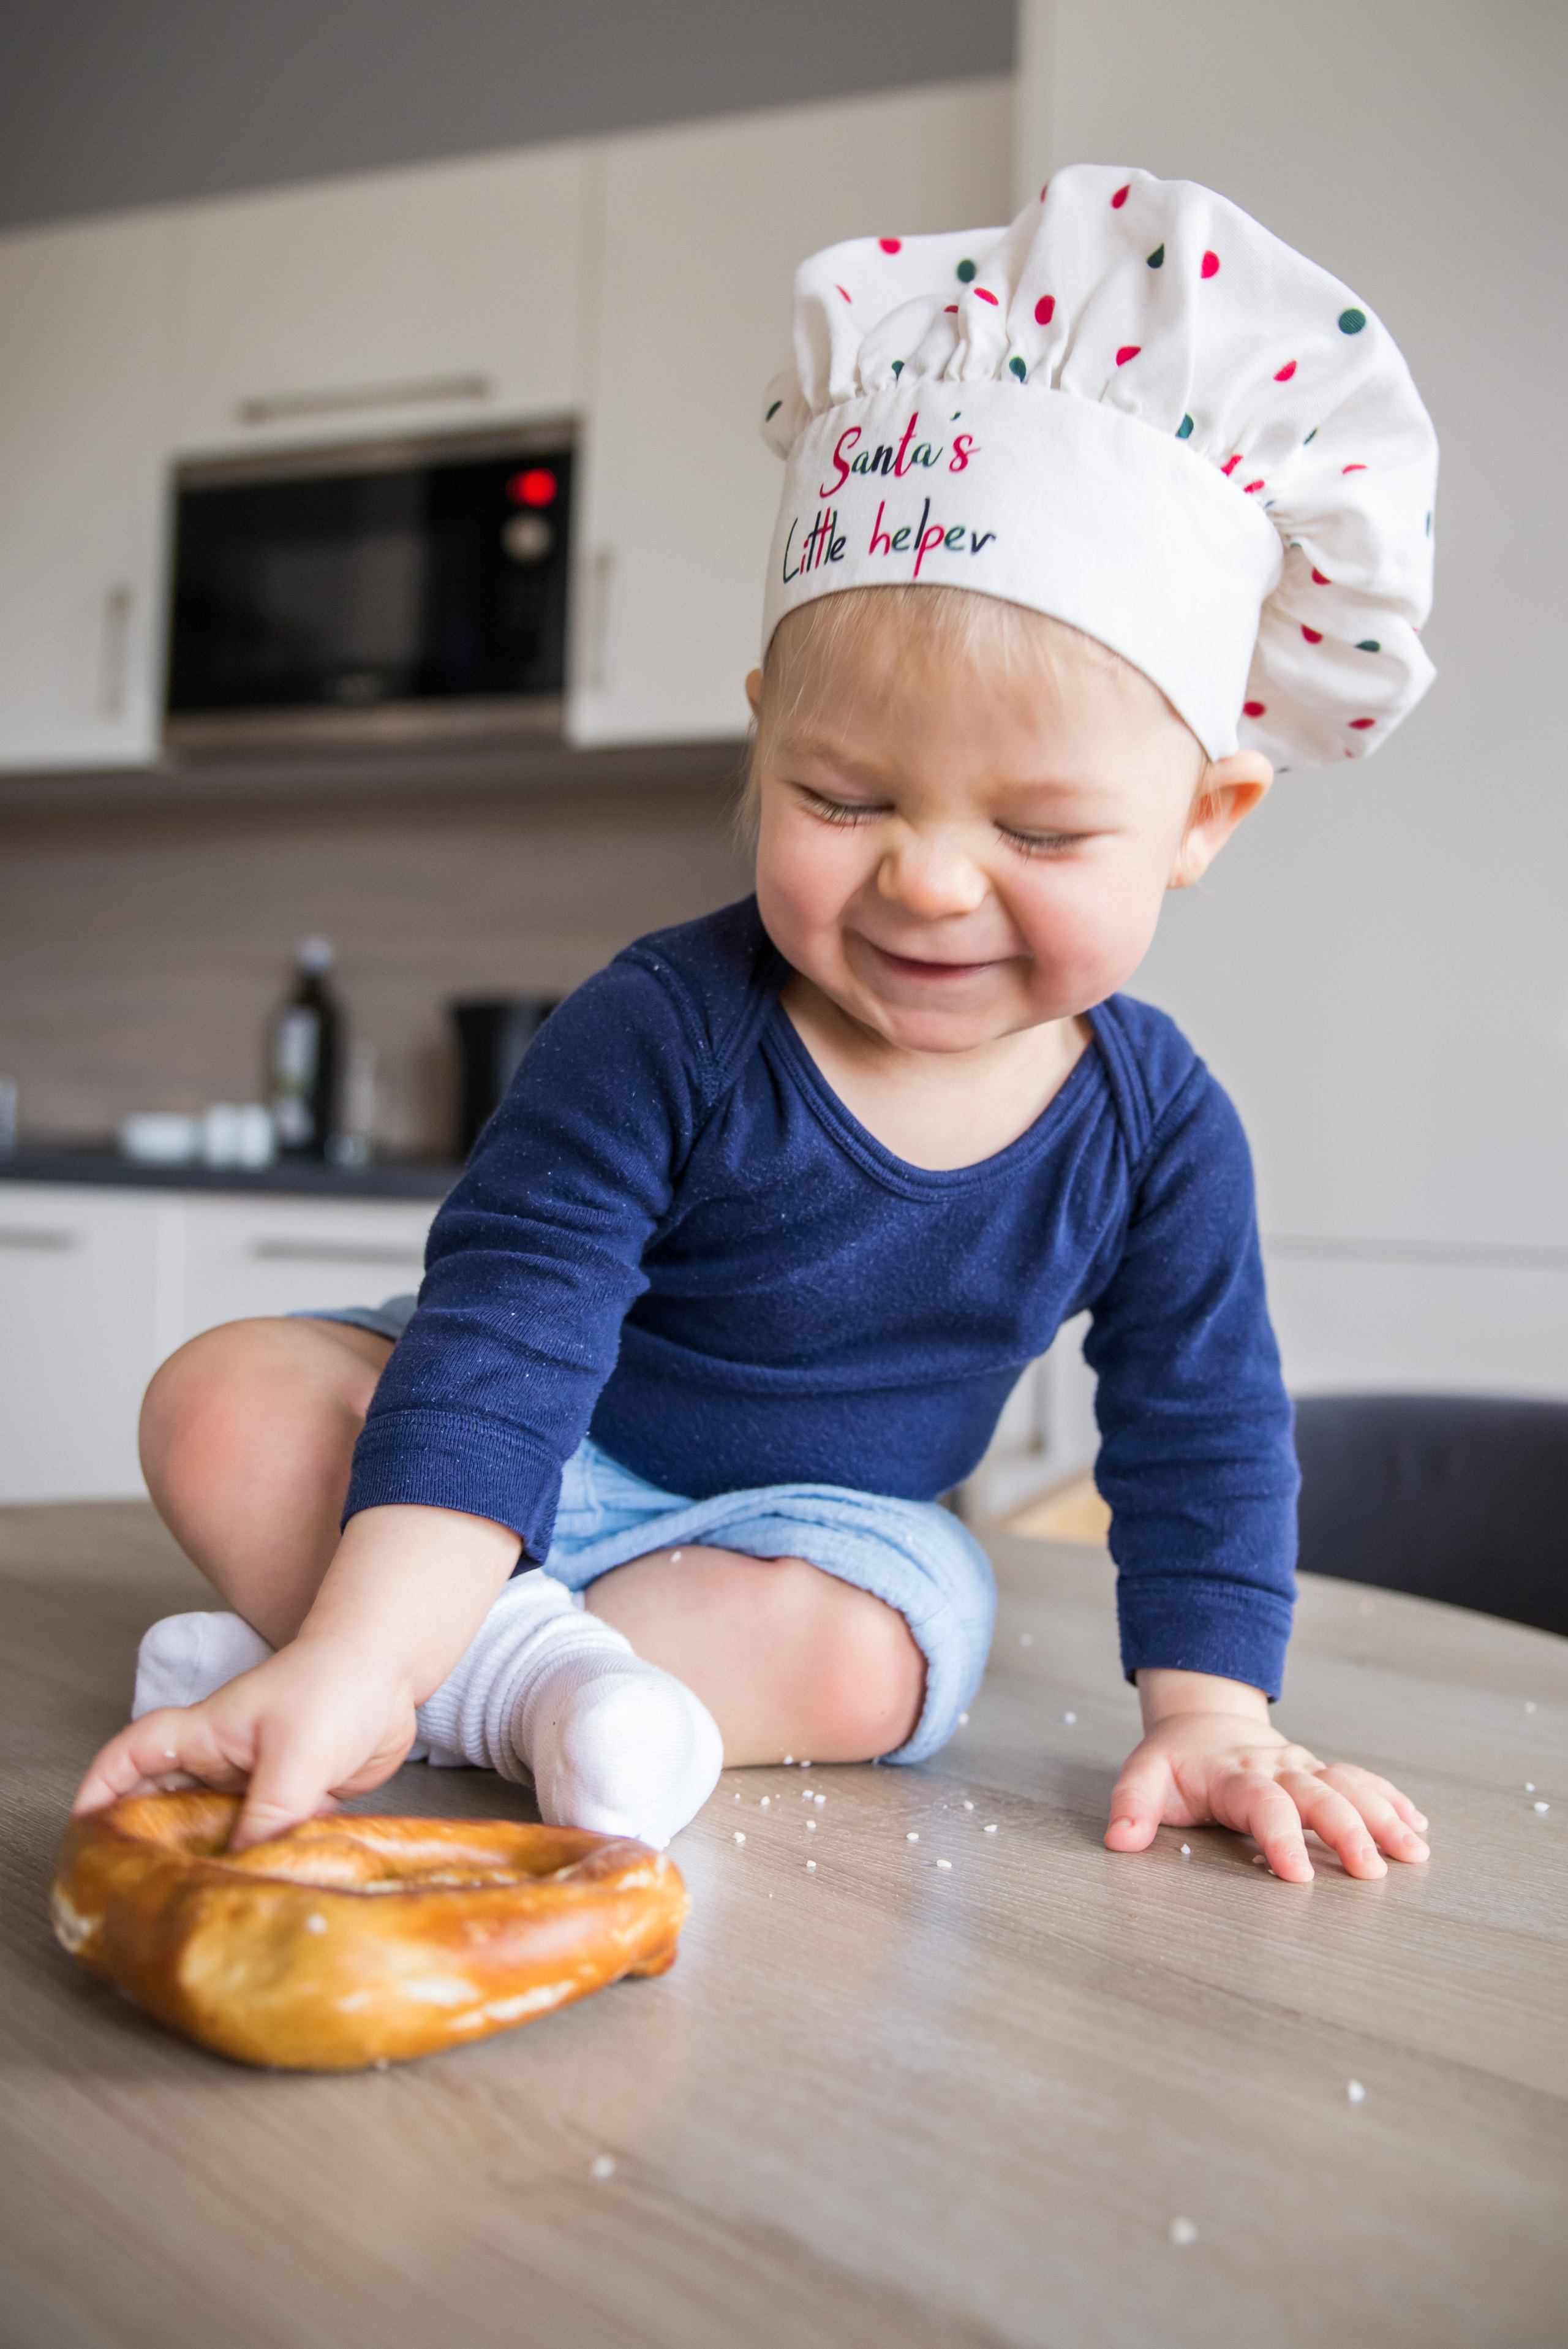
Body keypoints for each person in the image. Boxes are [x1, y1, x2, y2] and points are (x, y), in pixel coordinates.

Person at [75, 165, 1437, 1882]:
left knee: (883, 1654)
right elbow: (502, 1336)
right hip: (522, 1446)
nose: (932, 881)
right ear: (758, 736)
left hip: (798, 1539)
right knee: (223, 1397)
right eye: (843, 793)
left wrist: (1215, 1715)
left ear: (1204, 820)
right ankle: (450, 1673)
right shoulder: (660, 1024)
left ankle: (413, 1675)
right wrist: (383, 1619)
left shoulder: (1156, 1129)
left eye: (1037, 832)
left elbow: (1203, 1423)